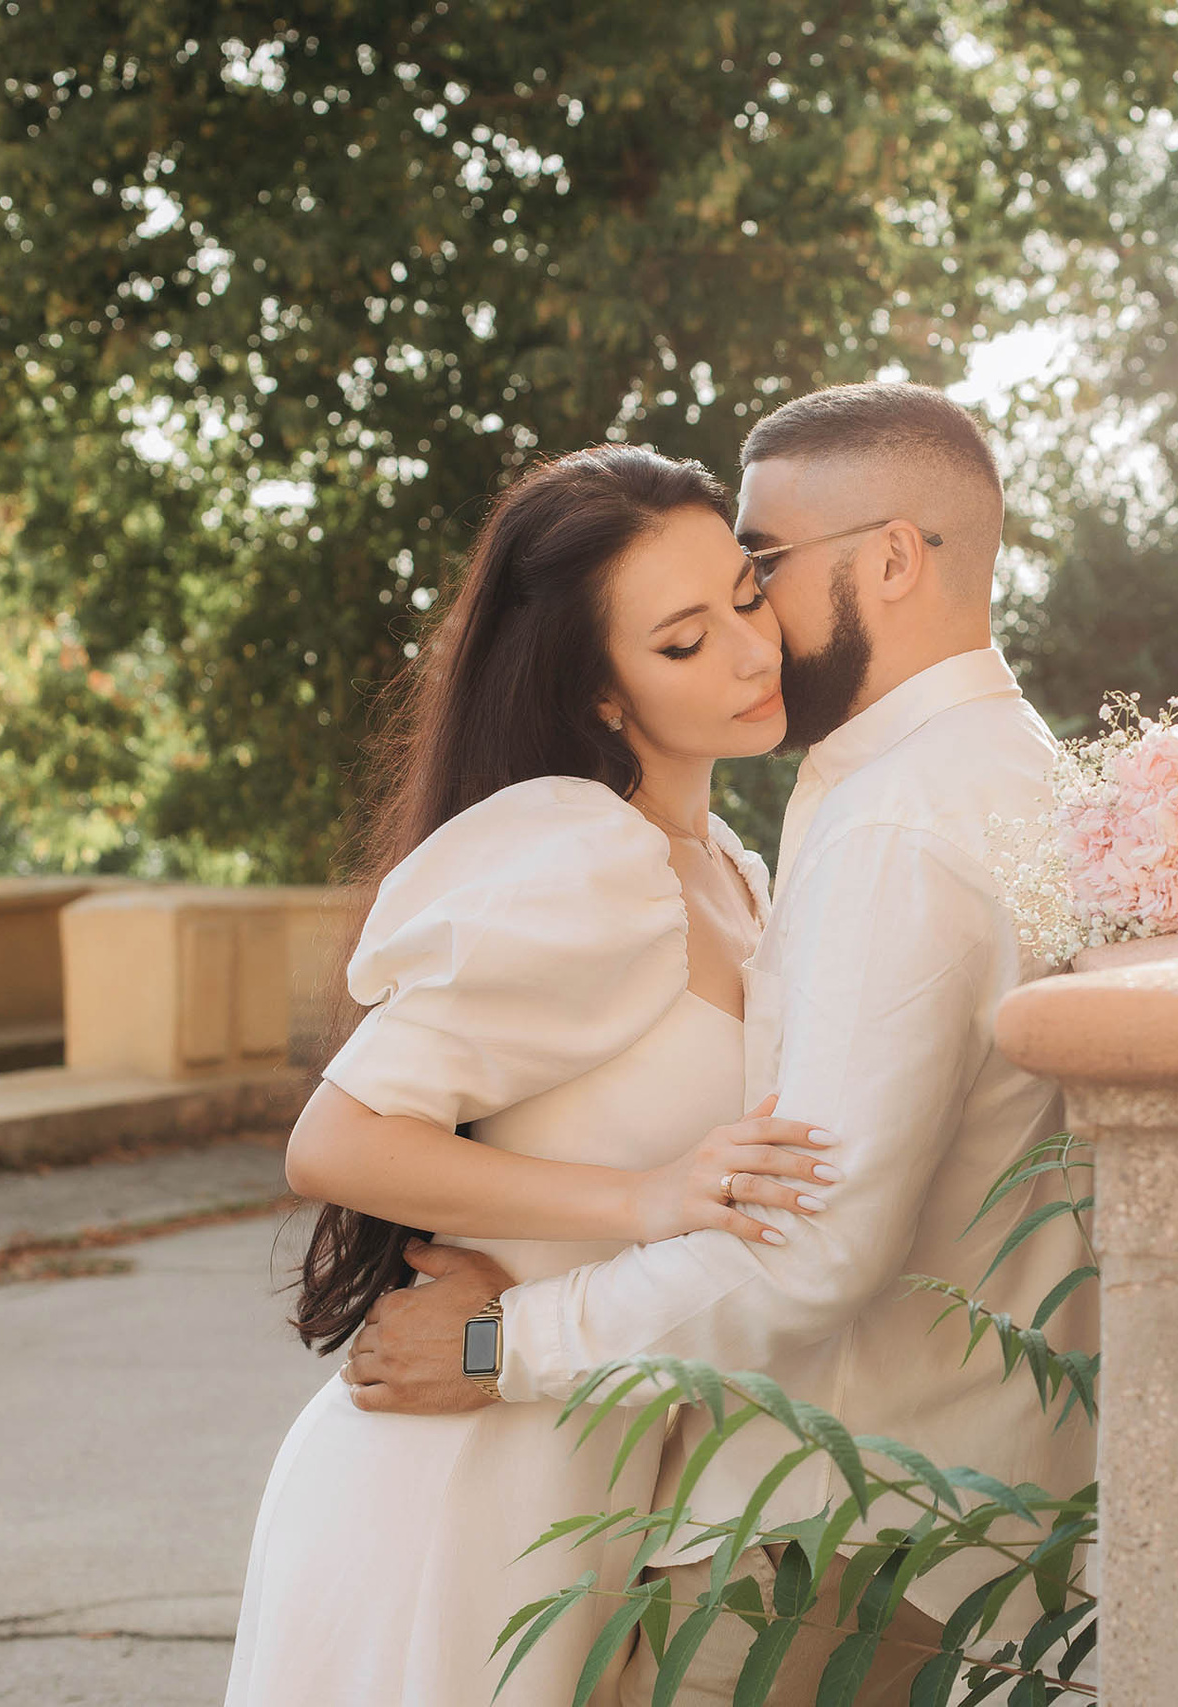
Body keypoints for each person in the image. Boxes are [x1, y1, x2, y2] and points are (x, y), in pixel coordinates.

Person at [345, 383, 1099, 1706]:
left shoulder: (893, 835)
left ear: (891, 559)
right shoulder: (1021, 771)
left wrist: (495, 1344)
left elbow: (813, 1248)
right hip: (961, 1518)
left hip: (830, 1536)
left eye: (760, 566)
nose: (751, 613)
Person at [224, 446, 843, 1707]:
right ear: (599, 692)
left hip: (591, 1454)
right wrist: (643, 1200)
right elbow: (332, 1141)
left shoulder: (732, 865)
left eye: (743, 595)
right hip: (461, 1487)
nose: (746, 651)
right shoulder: (583, 858)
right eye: (680, 642)